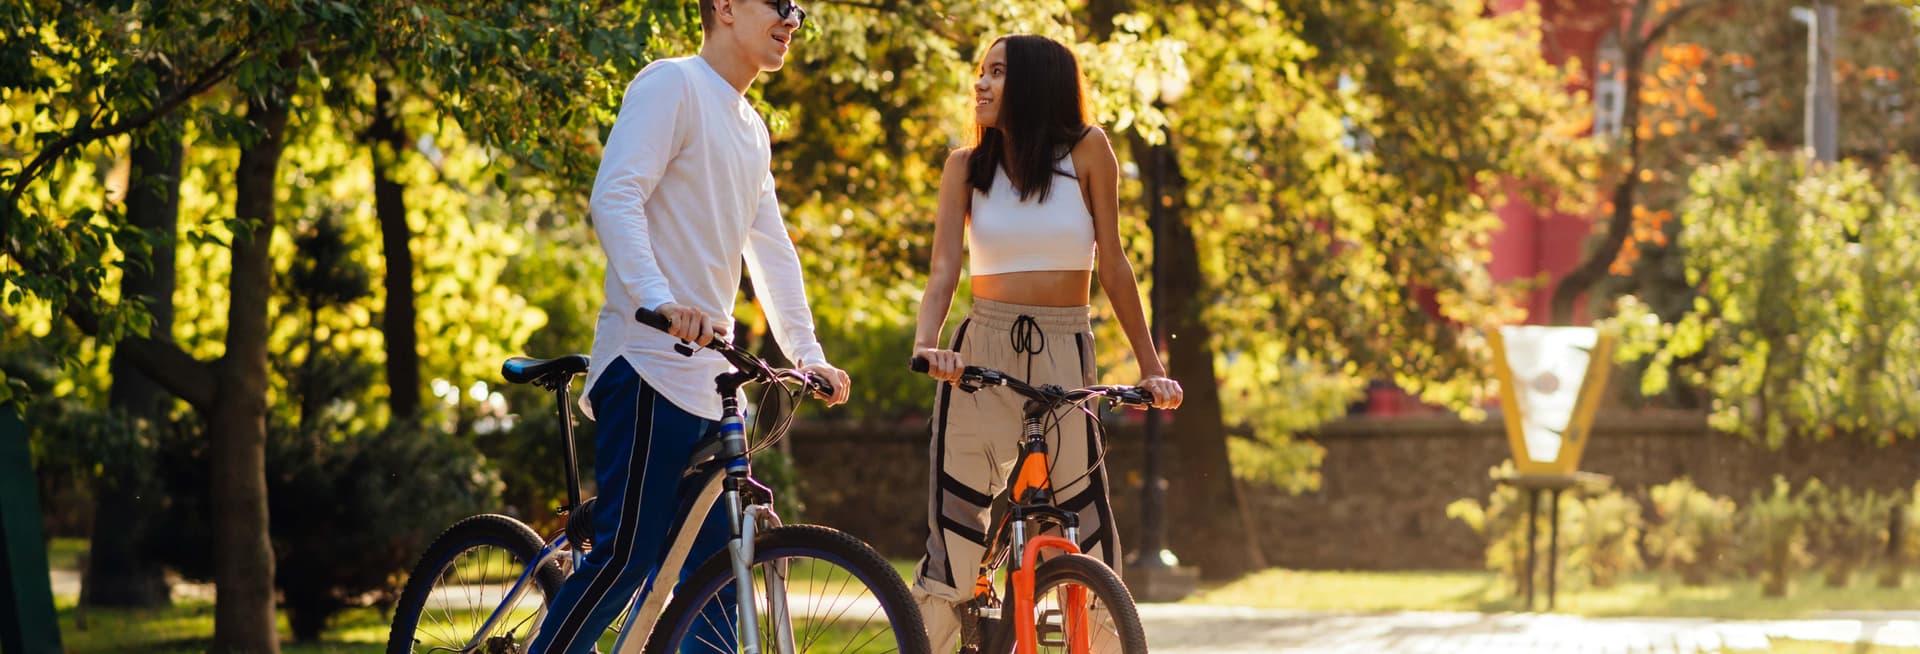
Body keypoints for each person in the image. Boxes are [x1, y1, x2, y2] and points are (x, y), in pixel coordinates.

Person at [525, 0, 852, 652]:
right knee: (627, 559)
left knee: (716, 583)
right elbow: (615, 194)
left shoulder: (752, 128)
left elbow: (772, 250)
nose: (793, 18)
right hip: (650, 362)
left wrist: (807, 353)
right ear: (726, 7)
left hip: (711, 378)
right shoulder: (671, 82)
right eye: (779, 3)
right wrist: (659, 298)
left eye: (801, 9)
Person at [910, 33, 1184, 651]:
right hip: (979, 355)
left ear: (1034, 81)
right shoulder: (964, 166)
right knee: (956, 532)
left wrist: (1150, 366)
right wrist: (930, 347)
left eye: (997, 72)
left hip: (1066, 349)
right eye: (980, 72)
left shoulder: (1088, 151)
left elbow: (1112, 264)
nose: (980, 84)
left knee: (1089, 531)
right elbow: (943, 272)